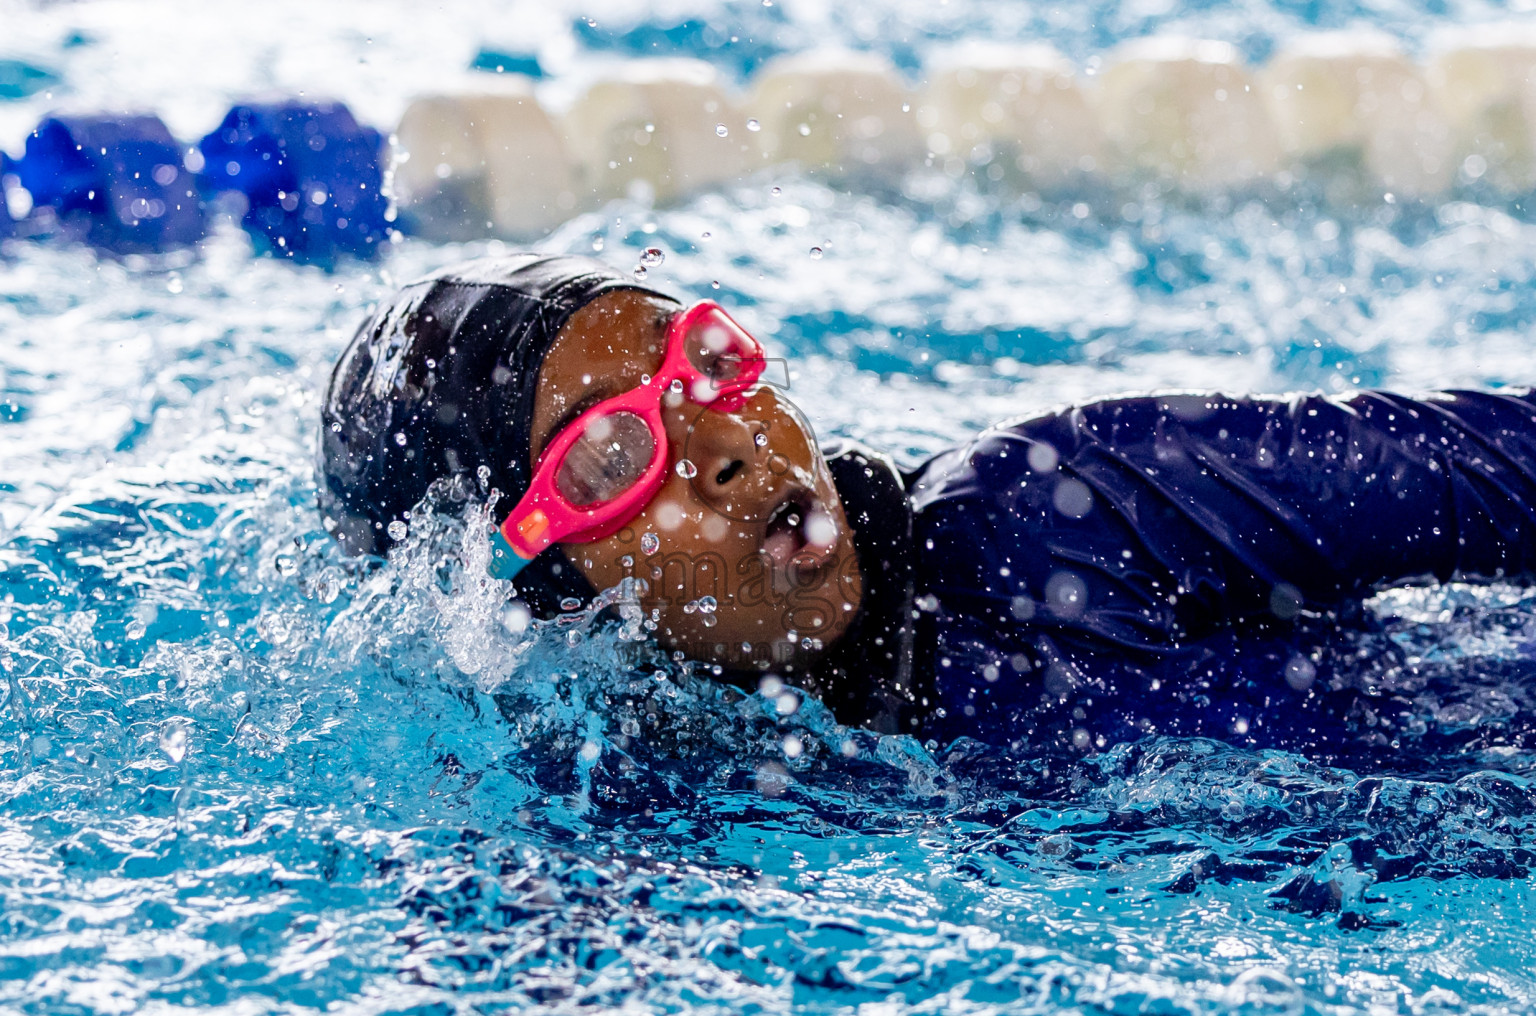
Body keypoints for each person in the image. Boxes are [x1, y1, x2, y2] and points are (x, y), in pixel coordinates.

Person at [320, 253, 1536, 754]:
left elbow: (1499, 466)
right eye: (611, 456)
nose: (730, 446)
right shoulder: (674, 777)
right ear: (532, 582)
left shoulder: (1063, 507)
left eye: (703, 363)